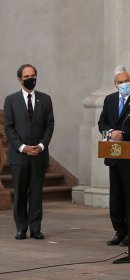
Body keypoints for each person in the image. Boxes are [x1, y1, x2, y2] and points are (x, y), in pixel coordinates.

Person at [98, 66, 130, 246]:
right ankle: (119, 230)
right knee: (116, 196)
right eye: (120, 82)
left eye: (126, 81)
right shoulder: (109, 99)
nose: (124, 84)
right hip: (113, 153)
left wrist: (123, 134)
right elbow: (102, 122)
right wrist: (111, 132)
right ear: (115, 84)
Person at [4, 64, 54, 240]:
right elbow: (9, 128)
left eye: (33, 75)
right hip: (19, 156)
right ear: (20, 79)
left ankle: (35, 228)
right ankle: (21, 227)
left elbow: (49, 126)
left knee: (36, 192)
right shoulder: (10, 100)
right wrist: (23, 147)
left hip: (39, 155)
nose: (30, 79)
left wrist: (41, 146)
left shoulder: (45, 99)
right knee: (20, 192)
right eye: (27, 76)